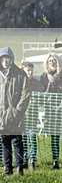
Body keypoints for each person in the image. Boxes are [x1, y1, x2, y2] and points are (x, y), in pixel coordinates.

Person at [41, 54, 62, 170]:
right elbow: (42, 94)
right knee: (54, 137)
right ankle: (55, 162)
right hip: (51, 112)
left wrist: (61, 106)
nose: (52, 62)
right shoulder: (44, 77)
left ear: (58, 62)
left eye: (54, 60)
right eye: (50, 61)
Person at [0, 47, 31, 175]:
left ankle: (19, 167)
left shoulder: (20, 74)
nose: (5, 62)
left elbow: (26, 93)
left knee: (17, 141)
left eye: (7, 59)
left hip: (16, 115)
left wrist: (18, 110)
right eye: (2, 59)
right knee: (4, 142)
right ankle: (7, 167)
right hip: (1, 115)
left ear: (11, 60)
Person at [20, 61, 45, 170]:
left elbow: (42, 97)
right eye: (28, 70)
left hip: (33, 116)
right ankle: (24, 160)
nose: (30, 72)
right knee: (23, 140)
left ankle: (32, 161)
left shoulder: (37, 83)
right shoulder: (20, 82)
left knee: (32, 139)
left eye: (31, 70)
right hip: (22, 117)